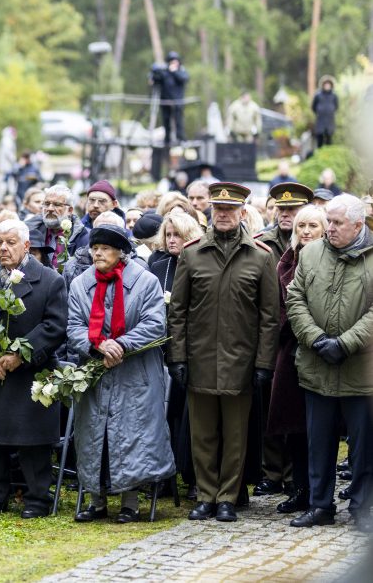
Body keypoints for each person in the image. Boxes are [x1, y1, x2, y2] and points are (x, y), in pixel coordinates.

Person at [168, 182, 279, 523]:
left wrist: (263, 363)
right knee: (202, 434)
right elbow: (178, 312)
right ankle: (205, 495)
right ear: (211, 213)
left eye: (231, 210)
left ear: (243, 213)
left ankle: (228, 496)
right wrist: (178, 357)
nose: (224, 215)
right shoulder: (192, 253)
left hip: (241, 362)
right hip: (199, 359)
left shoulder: (260, 256)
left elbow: (270, 316)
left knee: (235, 435)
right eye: (219, 210)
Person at [68, 224, 175, 523]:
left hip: (135, 372)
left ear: (121, 252)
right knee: (94, 434)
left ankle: (130, 501)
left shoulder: (145, 281)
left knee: (132, 434)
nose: (98, 253)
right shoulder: (81, 284)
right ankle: (96, 500)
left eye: (104, 248)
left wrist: (122, 344)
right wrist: (99, 347)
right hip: (96, 370)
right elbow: (74, 327)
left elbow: (155, 324)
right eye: (94, 248)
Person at [0, 219, 69, 518]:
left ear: (26, 246)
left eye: (10, 242)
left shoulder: (50, 280)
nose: (3, 248)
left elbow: (55, 325)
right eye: (0, 242)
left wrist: (21, 354)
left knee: (33, 442)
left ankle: (37, 499)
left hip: (31, 373)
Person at [286, 194, 372, 531]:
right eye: (329, 221)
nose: (329, 229)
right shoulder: (310, 254)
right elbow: (295, 299)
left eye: (336, 223)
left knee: (363, 446)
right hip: (316, 365)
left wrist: (347, 342)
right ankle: (320, 505)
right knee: (317, 442)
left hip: (360, 369)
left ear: (358, 225)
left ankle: (362, 508)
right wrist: (316, 339)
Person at [267, 204, 328, 515]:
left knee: (321, 428)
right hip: (289, 351)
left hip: (322, 352)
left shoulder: (332, 261)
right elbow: (277, 308)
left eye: (313, 226)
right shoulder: (285, 263)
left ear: (325, 229)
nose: (305, 231)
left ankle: (320, 494)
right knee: (294, 427)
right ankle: (300, 490)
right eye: (301, 225)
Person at [149, 210, 203, 497]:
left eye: (178, 235)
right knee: (163, 414)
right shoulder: (157, 266)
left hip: (192, 348)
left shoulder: (200, 263)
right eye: (168, 235)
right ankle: (163, 476)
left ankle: (193, 475)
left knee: (189, 417)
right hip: (161, 347)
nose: (172, 240)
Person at [26, 184, 90, 266]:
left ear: (70, 210)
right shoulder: (32, 230)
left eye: (56, 204)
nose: (50, 209)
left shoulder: (83, 236)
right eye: (46, 203)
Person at [152, 51, 189, 145]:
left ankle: (180, 138)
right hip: (165, 101)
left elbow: (184, 79)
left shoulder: (181, 71)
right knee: (166, 120)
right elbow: (156, 80)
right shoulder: (165, 73)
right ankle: (167, 139)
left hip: (177, 101)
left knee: (179, 121)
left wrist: (175, 71)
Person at [311, 76, 339, 149]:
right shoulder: (318, 95)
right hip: (320, 120)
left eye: (328, 84)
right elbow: (313, 107)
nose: (327, 86)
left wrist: (330, 111)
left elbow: (336, 107)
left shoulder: (334, 96)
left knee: (329, 140)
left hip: (330, 121)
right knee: (320, 140)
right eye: (326, 84)